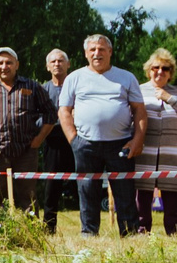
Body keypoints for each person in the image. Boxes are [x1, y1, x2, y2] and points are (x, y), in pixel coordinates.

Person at [57, 35, 146, 237]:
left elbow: (139, 111)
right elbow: (64, 111)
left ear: (110, 52)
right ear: (86, 54)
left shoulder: (126, 77)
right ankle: (89, 234)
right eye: (93, 50)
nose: (97, 53)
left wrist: (137, 140)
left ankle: (130, 234)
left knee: (125, 191)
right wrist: (74, 140)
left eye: (102, 49)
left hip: (121, 144)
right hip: (85, 144)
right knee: (87, 190)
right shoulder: (74, 78)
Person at [0, 46, 57, 216]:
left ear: (16, 65)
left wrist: (40, 138)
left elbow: (51, 113)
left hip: (26, 150)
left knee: (28, 197)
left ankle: (30, 230)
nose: (4, 66)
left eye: (9, 63)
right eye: (0, 63)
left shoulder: (32, 86)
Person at [133, 49, 177, 235]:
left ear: (171, 73)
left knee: (173, 202)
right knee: (141, 201)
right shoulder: (138, 90)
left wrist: (170, 99)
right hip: (144, 154)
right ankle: (141, 236)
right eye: (155, 68)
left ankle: (175, 237)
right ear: (148, 70)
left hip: (172, 156)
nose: (160, 72)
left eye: (165, 69)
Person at [36, 48, 77, 232]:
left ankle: (88, 227)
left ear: (68, 64)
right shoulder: (42, 90)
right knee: (52, 184)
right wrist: (54, 121)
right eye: (53, 61)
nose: (57, 64)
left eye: (60, 61)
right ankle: (49, 226)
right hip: (52, 140)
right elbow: (35, 119)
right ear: (47, 67)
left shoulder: (77, 86)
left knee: (82, 181)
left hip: (76, 139)